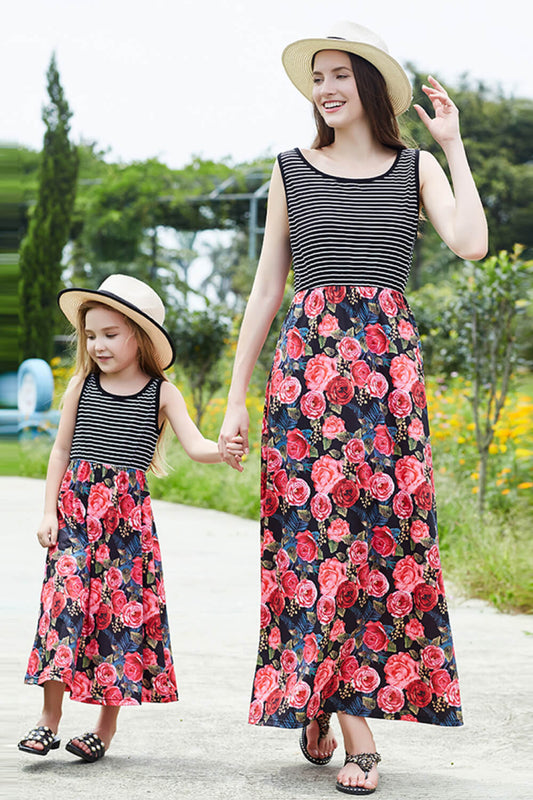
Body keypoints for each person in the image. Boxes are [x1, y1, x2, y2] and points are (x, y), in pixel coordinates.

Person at [218, 20, 487, 796]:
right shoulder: (290, 171)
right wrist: (236, 397)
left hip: (387, 385)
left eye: (339, 74)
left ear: (369, 86)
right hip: (305, 381)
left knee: (380, 547)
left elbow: (468, 242)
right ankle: (356, 735)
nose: (325, 88)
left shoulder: (415, 170)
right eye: (317, 77)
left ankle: (320, 693)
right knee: (315, 545)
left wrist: (454, 146)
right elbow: (267, 289)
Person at [18, 274, 243, 762]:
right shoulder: (83, 384)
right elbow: (60, 451)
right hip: (75, 521)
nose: (98, 345)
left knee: (117, 622)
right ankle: (48, 718)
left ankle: (104, 727)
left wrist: (222, 450)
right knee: (62, 610)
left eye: (110, 334)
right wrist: (47, 511)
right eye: (91, 335)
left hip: (126, 531)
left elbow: (196, 445)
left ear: (139, 336)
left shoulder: (163, 393)